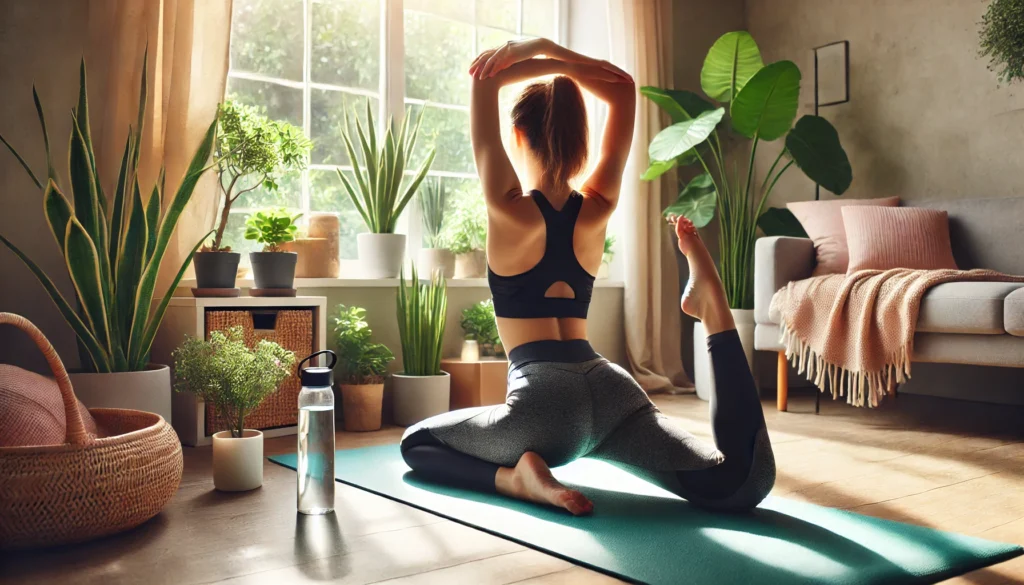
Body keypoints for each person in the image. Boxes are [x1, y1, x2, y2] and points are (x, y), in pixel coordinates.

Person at [400, 38, 775, 514]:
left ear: (517, 137)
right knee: (739, 481)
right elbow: (622, 91)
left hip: (541, 405)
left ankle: (517, 480)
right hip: (612, 389)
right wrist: (563, 59)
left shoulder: (508, 210)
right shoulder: (598, 208)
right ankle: (714, 309)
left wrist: (547, 55)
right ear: (583, 144)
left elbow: (485, 80)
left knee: (417, 445)